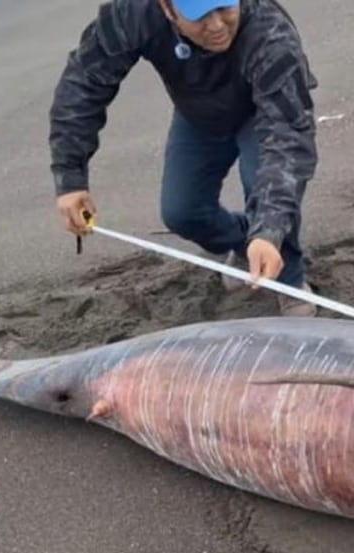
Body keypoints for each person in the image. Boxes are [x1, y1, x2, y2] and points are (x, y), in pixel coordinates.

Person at [48, 0, 319, 316]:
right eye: (200, 15)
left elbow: (288, 139)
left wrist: (269, 232)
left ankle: (289, 280)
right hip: (199, 114)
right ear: (167, 9)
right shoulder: (135, 13)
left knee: (265, 194)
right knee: (182, 212)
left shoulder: (270, 33)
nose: (217, 25)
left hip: (263, 113)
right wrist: (70, 177)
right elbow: (83, 84)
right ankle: (244, 243)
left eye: (225, 8)